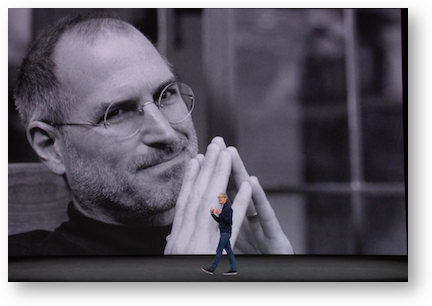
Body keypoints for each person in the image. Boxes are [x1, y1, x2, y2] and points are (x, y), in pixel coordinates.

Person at [9, 12, 294, 256]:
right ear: (51, 147)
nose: (166, 132)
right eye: (118, 112)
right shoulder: (22, 270)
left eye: (166, 94)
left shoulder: (242, 248)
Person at [201, 193, 237, 276]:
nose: (219, 199)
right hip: (224, 232)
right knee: (229, 251)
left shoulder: (228, 208)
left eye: (220, 197)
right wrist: (213, 214)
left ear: (225, 198)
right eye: (218, 197)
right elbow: (220, 220)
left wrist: (220, 214)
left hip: (226, 233)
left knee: (219, 250)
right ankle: (233, 269)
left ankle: (211, 269)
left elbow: (229, 221)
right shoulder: (223, 208)